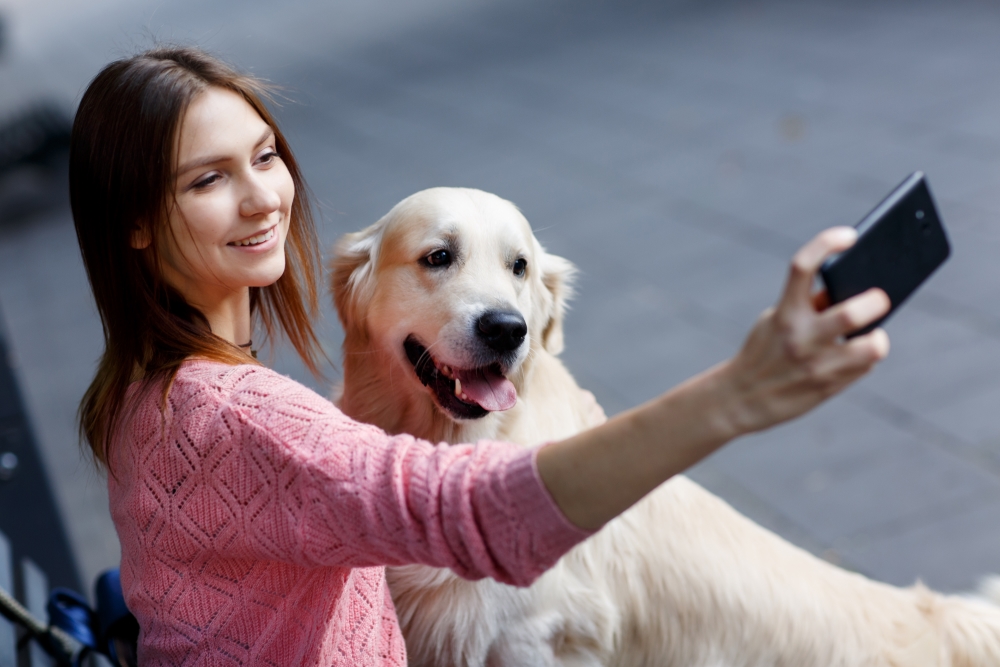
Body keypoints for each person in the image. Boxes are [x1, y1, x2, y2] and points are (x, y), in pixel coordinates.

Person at [70, 46, 891, 666]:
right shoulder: (238, 414)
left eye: (264, 155)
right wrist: (740, 392)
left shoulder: (151, 391)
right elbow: (472, 514)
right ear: (135, 223)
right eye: (206, 180)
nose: (262, 197)